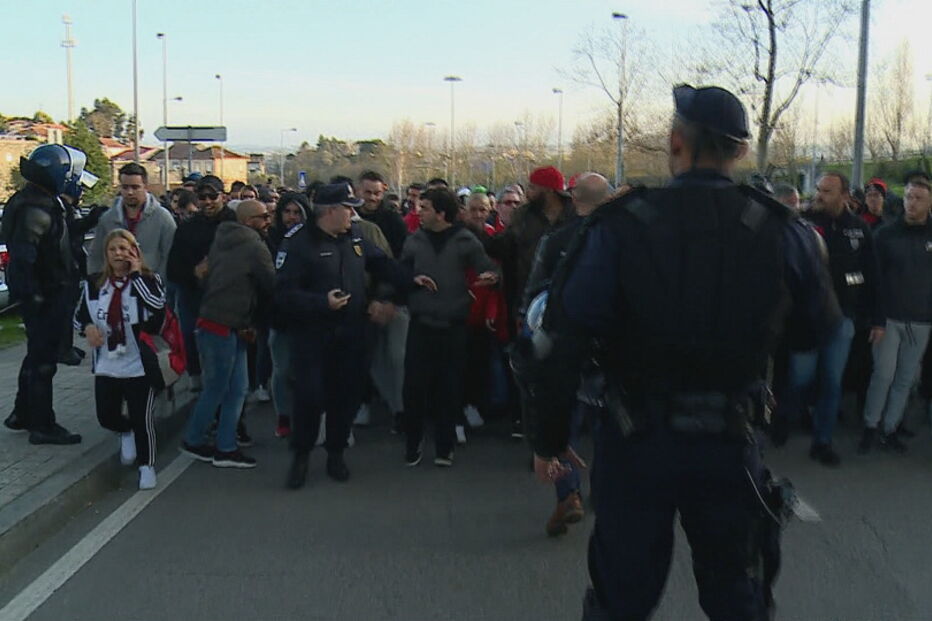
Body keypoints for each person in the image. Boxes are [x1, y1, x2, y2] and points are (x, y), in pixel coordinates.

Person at [525, 84, 840, 619]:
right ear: (739, 151)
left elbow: (558, 340)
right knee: (737, 594)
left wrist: (550, 439)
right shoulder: (783, 230)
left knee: (621, 598)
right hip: (729, 441)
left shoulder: (618, 226)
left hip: (635, 442)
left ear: (676, 143)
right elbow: (818, 330)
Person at [275, 183, 423, 489]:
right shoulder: (299, 244)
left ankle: (336, 453)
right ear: (330, 211)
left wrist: (412, 281)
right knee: (310, 397)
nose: (352, 214)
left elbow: (382, 264)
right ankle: (301, 456)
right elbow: (284, 294)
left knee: (346, 397)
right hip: (313, 335)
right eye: (347, 208)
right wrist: (321, 303)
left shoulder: (354, 237)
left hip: (353, 333)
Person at [2, 144, 98, 443]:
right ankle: (42, 425)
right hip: (46, 296)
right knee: (43, 361)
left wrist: (92, 219)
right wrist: (34, 298)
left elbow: (63, 235)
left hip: (49, 293)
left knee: (35, 356)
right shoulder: (35, 208)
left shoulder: (42, 201)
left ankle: (21, 413)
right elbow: (24, 258)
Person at [787, 172, 882, 466]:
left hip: (842, 320)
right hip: (806, 319)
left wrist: (878, 319)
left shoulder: (859, 230)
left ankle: (822, 441)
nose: (819, 195)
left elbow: (873, 276)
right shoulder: (802, 224)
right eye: (818, 189)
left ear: (844, 196)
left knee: (832, 382)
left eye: (827, 191)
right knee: (800, 378)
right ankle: (789, 418)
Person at [401, 187, 500, 467]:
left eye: (426, 207)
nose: (419, 212)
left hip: (454, 326)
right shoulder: (414, 241)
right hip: (420, 325)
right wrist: (410, 280)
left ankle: (445, 446)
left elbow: (487, 268)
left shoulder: (465, 240)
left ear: (441, 213)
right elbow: (400, 273)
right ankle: (413, 441)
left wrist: (492, 277)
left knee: (449, 387)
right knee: (414, 388)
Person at [180, 200, 275, 468]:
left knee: (235, 389)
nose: (268, 220)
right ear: (248, 220)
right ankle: (195, 439)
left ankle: (225, 446)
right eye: (263, 216)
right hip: (225, 324)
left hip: (222, 323)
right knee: (221, 388)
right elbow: (271, 283)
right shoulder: (255, 246)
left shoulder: (221, 238)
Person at [75, 229, 166, 489]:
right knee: (106, 415)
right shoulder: (94, 284)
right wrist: (88, 329)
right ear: (106, 254)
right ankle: (124, 431)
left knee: (143, 419)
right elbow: (80, 316)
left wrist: (136, 274)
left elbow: (156, 305)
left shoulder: (148, 280)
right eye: (114, 249)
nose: (119, 254)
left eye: (125, 249)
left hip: (139, 364)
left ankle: (146, 465)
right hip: (107, 364)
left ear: (135, 252)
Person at [858, 178, 932, 453]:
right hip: (888, 319)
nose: (912, 203)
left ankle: (890, 428)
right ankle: (870, 426)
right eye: (909, 197)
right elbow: (874, 280)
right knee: (883, 375)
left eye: (918, 198)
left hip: (922, 320)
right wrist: (876, 319)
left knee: (906, 378)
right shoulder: (887, 234)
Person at [166, 175, 236, 392]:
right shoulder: (188, 228)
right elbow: (173, 268)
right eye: (202, 197)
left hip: (228, 297)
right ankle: (195, 375)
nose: (207, 201)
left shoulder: (235, 224)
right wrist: (193, 272)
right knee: (189, 334)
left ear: (222, 196)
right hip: (193, 294)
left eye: (212, 196)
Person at [267, 192, 312, 438]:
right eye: (287, 212)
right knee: (282, 370)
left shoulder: (313, 241)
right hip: (280, 318)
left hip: (307, 316)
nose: (292, 217)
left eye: (297, 213)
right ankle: (283, 415)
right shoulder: (270, 240)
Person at [88, 163, 176, 280]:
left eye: (135, 187)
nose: (130, 192)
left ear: (145, 187)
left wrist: (159, 284)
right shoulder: (108, 219)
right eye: (125, 187)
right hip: (115, 286)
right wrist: (97, 283)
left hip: (150, 285)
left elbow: (170, 257)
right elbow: (96, 255)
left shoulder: (162, 218)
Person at [357, 170, 408, 257]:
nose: (372, 198)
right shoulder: (350, 217)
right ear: (358, 191)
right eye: (368, 192)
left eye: (377, 193)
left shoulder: (393, 220)